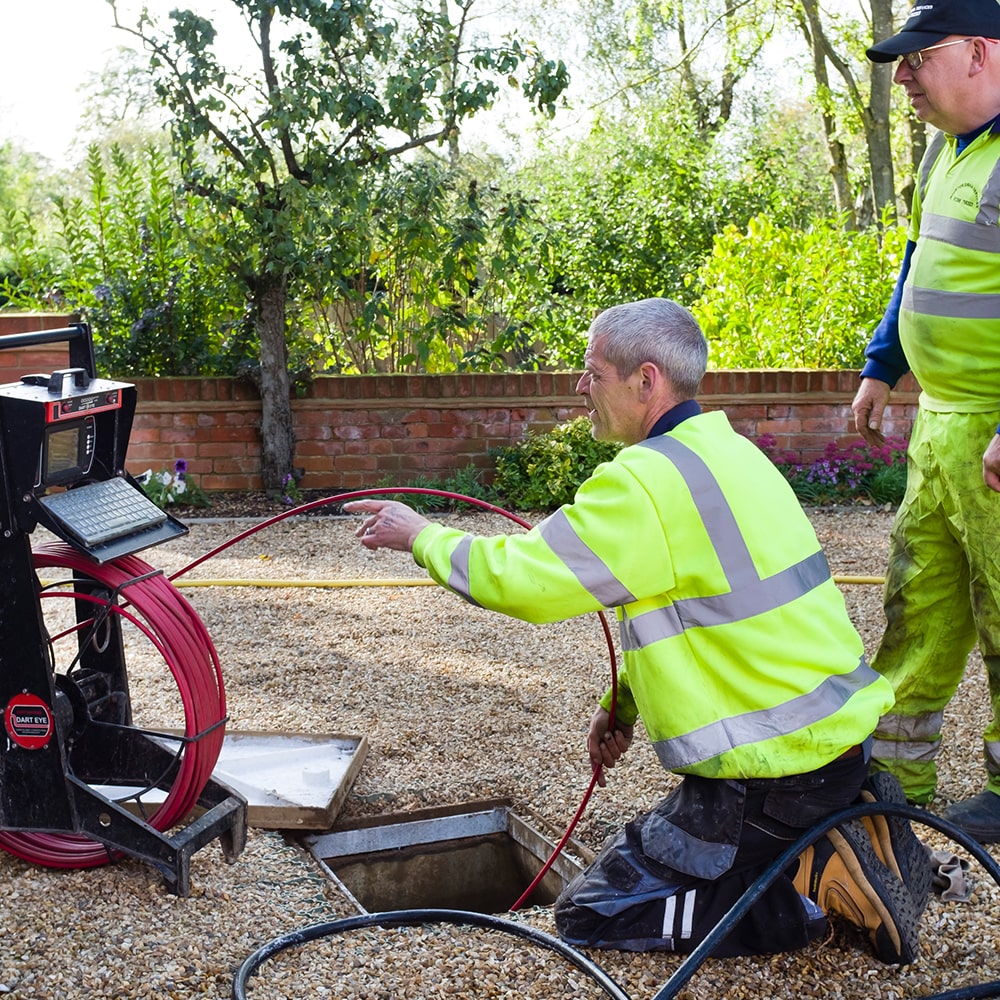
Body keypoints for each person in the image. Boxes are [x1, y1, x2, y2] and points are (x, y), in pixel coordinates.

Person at [345, 297, 931, 963]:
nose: (580, 387)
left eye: (592, 372)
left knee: (595, 913)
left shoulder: (647, 483)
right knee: (648, 867)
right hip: (829, 749)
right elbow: (709, 618)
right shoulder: (730, 454)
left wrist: (419, 534)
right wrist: (619, 705)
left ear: (645, 380)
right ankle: (841, 819)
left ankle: (808, 881)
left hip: (772, 776)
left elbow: (524, 580)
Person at [856, 0, 1000, 842]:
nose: (902, 77)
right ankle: (896, 779)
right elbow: (918, 265)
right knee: (921, 604)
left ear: (981, 52)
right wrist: (884, 367)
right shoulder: (945, 151)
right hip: (939, 428)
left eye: (918, 58)